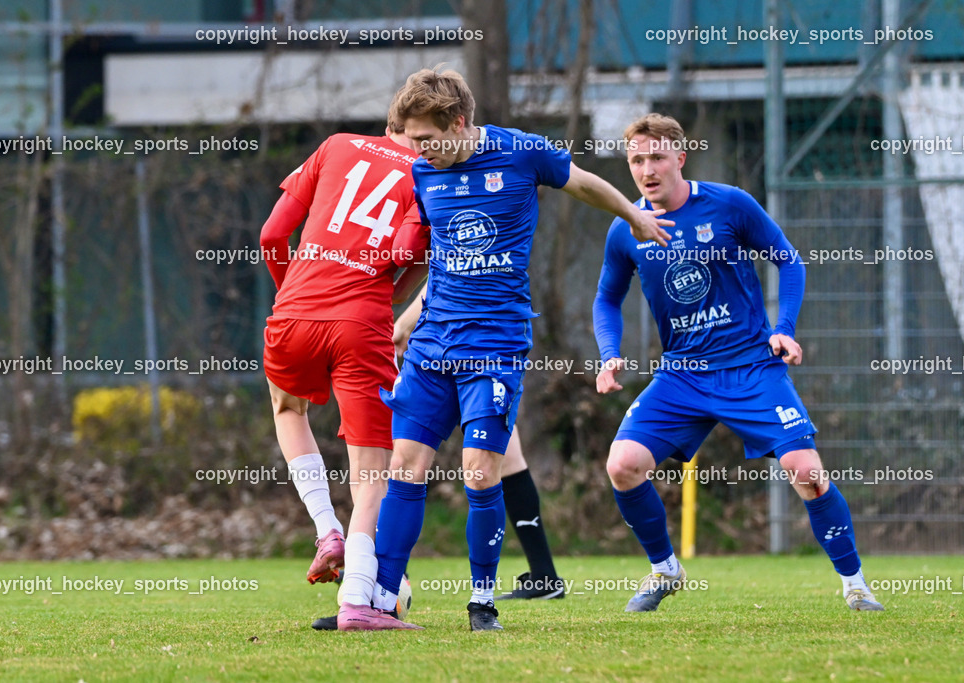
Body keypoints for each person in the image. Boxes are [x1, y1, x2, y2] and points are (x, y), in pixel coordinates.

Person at [370, 67, 673, 631]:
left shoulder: (522, 153)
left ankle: (481, 602)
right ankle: (381, 599)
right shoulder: (422, 173)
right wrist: (403, 326)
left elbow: (582, 182)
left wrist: (632, 214)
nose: (418, 151)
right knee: (405, 467)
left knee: (480, 474)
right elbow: (443, 263)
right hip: (434, 342)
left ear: (458, 122)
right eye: (411, 141)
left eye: (427, 139)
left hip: (494, 345)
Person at [592, 112, 884, 612]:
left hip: (750, 366)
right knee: (622, 466)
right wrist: (609, 354)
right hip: (681, 375)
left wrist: (783, 330)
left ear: (680, 158)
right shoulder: (627, 229)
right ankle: (665, 571)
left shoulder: (729, 205)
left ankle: (855, 585)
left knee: (806, 471)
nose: (647, 169)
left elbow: (789, 261)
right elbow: (606, 299)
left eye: (657, 157)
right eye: (637, 160)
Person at [259, 122, 429, 631]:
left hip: (293, 311)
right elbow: (405, 258)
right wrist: (393, 289)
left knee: (288, 408)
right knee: (371, 469)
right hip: (362, 323)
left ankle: (325, 528)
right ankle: (357, 600)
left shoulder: (335, 146)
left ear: (389, 123)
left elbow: (271, 234)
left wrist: (292, 292)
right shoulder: (430, 175)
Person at [393, 287, 565, 601]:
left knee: (487, 463)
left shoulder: (475, 253)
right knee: (505, 459)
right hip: (467, 338)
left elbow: (450, 272)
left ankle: (390, 577)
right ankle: (544, 574)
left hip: (472, 341)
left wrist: (404, 324)